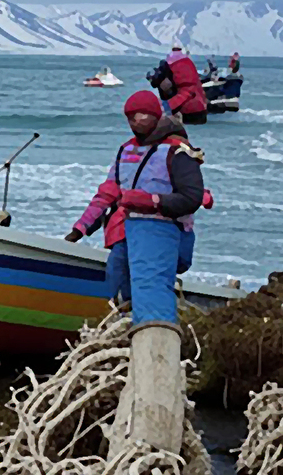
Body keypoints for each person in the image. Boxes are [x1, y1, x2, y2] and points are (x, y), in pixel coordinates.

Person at [64, 90, 205, 325]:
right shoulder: (125, 150)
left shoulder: (177, 150)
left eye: (143, 115)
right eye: (131, 116)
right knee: (118, 276)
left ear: (156, 116)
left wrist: (153, 202)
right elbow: (107, 193)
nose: (136, 121)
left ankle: (154, 332)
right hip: (127, 230)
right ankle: (128, 325)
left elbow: (192, 197)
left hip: (165, 232)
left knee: (152, 284)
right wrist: (80, 229)